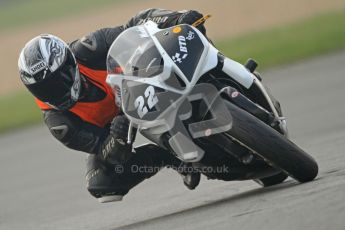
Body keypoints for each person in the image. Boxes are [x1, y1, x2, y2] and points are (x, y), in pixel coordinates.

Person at [18, 9, 207, 203]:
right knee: (101, 183)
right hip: (118, 123)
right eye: (43, 90)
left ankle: (219, 78)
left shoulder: (88, 48)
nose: (53, 93)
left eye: (56, 83)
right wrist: (116, 140)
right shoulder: (59, 123)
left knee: (181, 34)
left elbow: (134, 26)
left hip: (143, 83)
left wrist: (176, 19)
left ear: (68, 64)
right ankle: (170, 157)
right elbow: (102, 149)